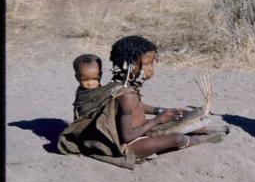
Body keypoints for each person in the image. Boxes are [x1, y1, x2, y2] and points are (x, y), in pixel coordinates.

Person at [58, 36, 227, 169]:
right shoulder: (124, 95)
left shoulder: (121, 88)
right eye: (147, 64)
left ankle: (204, 128)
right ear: (131, 65)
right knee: (177, 139)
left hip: (141, 128)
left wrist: (159, 110)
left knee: (178, 118)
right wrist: (157, 120)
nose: (151, 69)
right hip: (128, 144)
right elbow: (126, 136)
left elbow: (137, 107)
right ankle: (202, 140)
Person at [72, 54, 103, 120]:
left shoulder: (104, 92)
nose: (90, 83)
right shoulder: (81, 94)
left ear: (100, 75)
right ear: (77, 77)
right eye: (85, 80)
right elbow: (77, 111)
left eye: (94, 79)